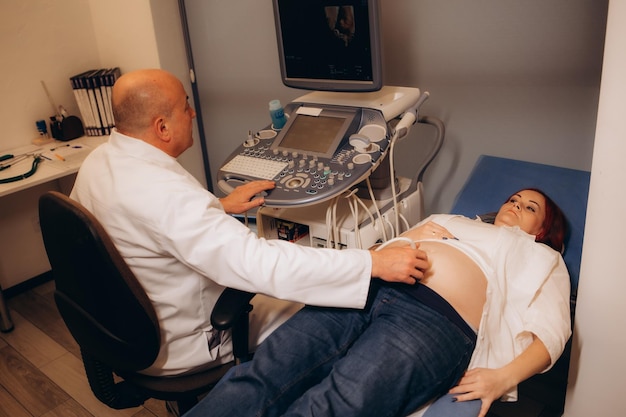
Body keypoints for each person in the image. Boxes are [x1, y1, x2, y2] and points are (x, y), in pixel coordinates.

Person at [69, 69, 427, 377]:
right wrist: (372, 262)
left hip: (123, 330)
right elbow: (260, 264)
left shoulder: (100, 161)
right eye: (184, 107)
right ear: (162, 127)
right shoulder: (166, 195)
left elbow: (145, 224)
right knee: (331, 309)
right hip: (188, 341)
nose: (192, 114)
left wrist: (215, 206)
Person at [182, 188, 571, 417]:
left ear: (543, 231)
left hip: (434, 321)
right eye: (514, 199)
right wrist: (410, 235)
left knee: (336, 403)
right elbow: (374, 253)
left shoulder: (542, 258)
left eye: (529, 208)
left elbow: (553, 332)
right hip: (363, 289)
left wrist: (502, 377)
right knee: (265, 370)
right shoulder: (454, 220)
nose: (515, 205)